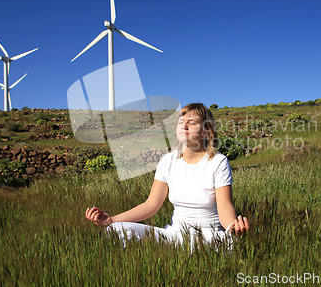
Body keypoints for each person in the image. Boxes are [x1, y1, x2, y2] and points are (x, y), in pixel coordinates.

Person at [85, 103, 250, 248]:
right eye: (180, 122)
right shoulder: (167, 161)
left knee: (231, 243)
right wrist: (111, 220)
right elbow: (151, 205)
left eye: (191, 123)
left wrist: (232, 227)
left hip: (208, 236)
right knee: (115, 230)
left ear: (207, 131)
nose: (184, 126)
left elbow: (225, 207)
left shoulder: (218, 162)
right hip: (174, 235)